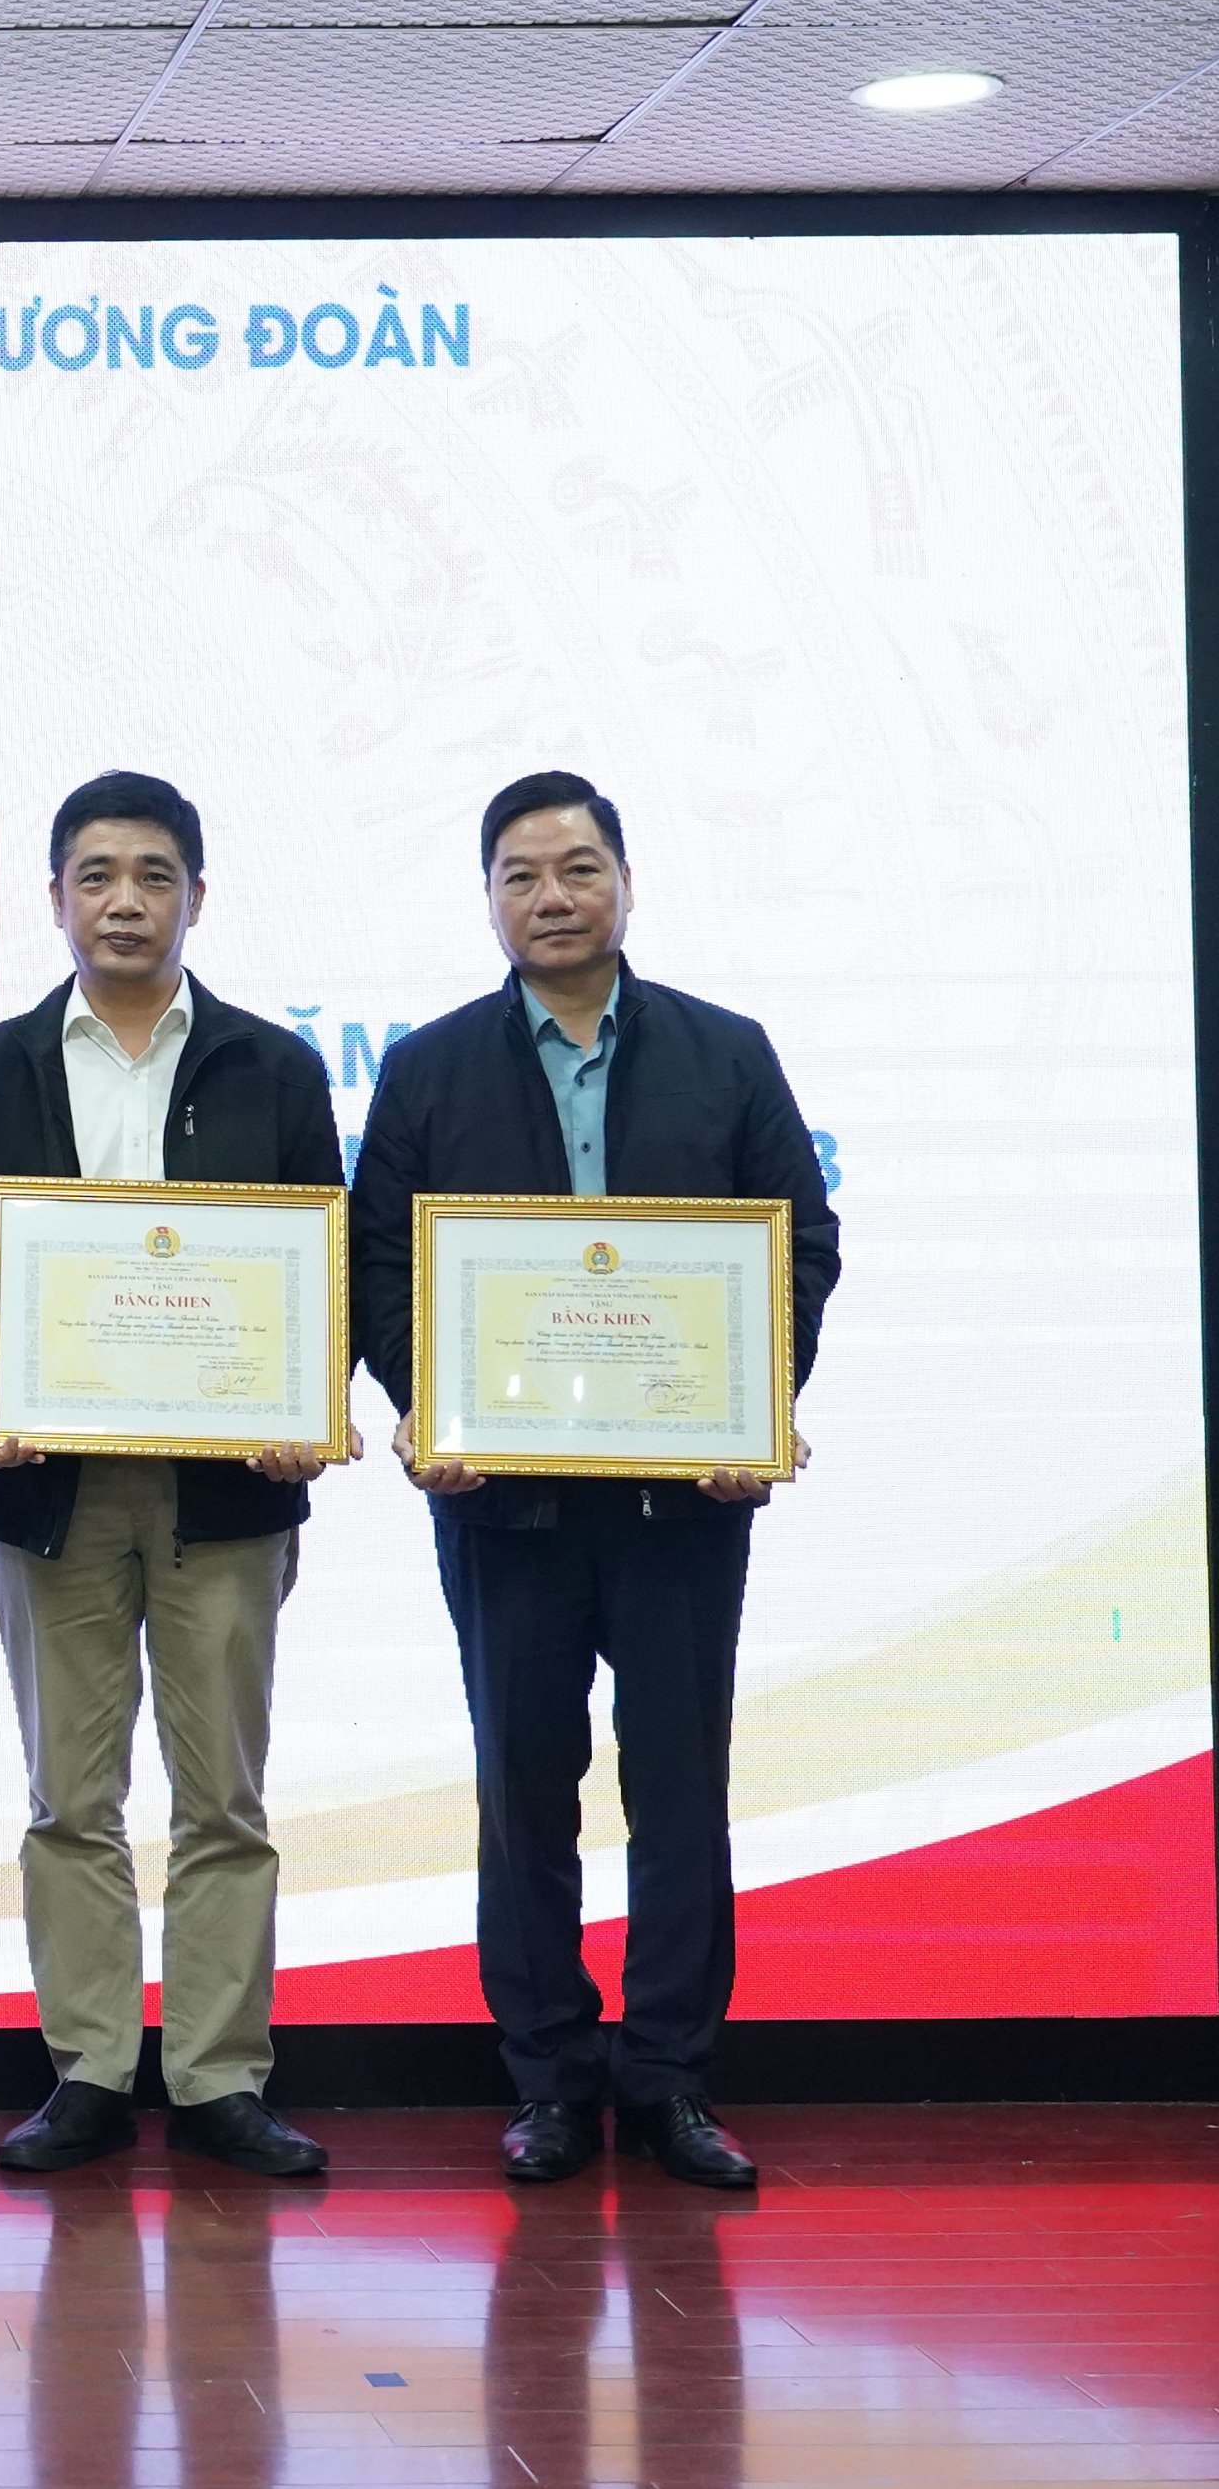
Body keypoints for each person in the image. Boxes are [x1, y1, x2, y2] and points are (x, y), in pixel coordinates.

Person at [350, 770, 838, 2191]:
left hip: (680, 1501)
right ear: (487, 899)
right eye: (520, 875)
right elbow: (380, 1262)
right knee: (524, 1789)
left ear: (626, 883)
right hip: (501, 1500)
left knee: (679, 1787)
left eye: (576, 869)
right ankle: (551, 2080)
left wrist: (755, 1404)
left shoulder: (724, 1053)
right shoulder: (428, 1069)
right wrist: (426, 1404)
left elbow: (798, 1243)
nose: (551, 897)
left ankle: (671, 2079)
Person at [0, 770, 344, 2181]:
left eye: (152, 876)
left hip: (225, 1490)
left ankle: (218, 2075)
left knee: (223, 1799)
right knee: (67, 1797)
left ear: (195, 897)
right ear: (53, 898)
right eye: (94, 876)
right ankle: (89, 2067)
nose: (123, 902)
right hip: (52, 1485)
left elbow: (322, 1262)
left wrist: (306, 1399)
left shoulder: (272, 1068)